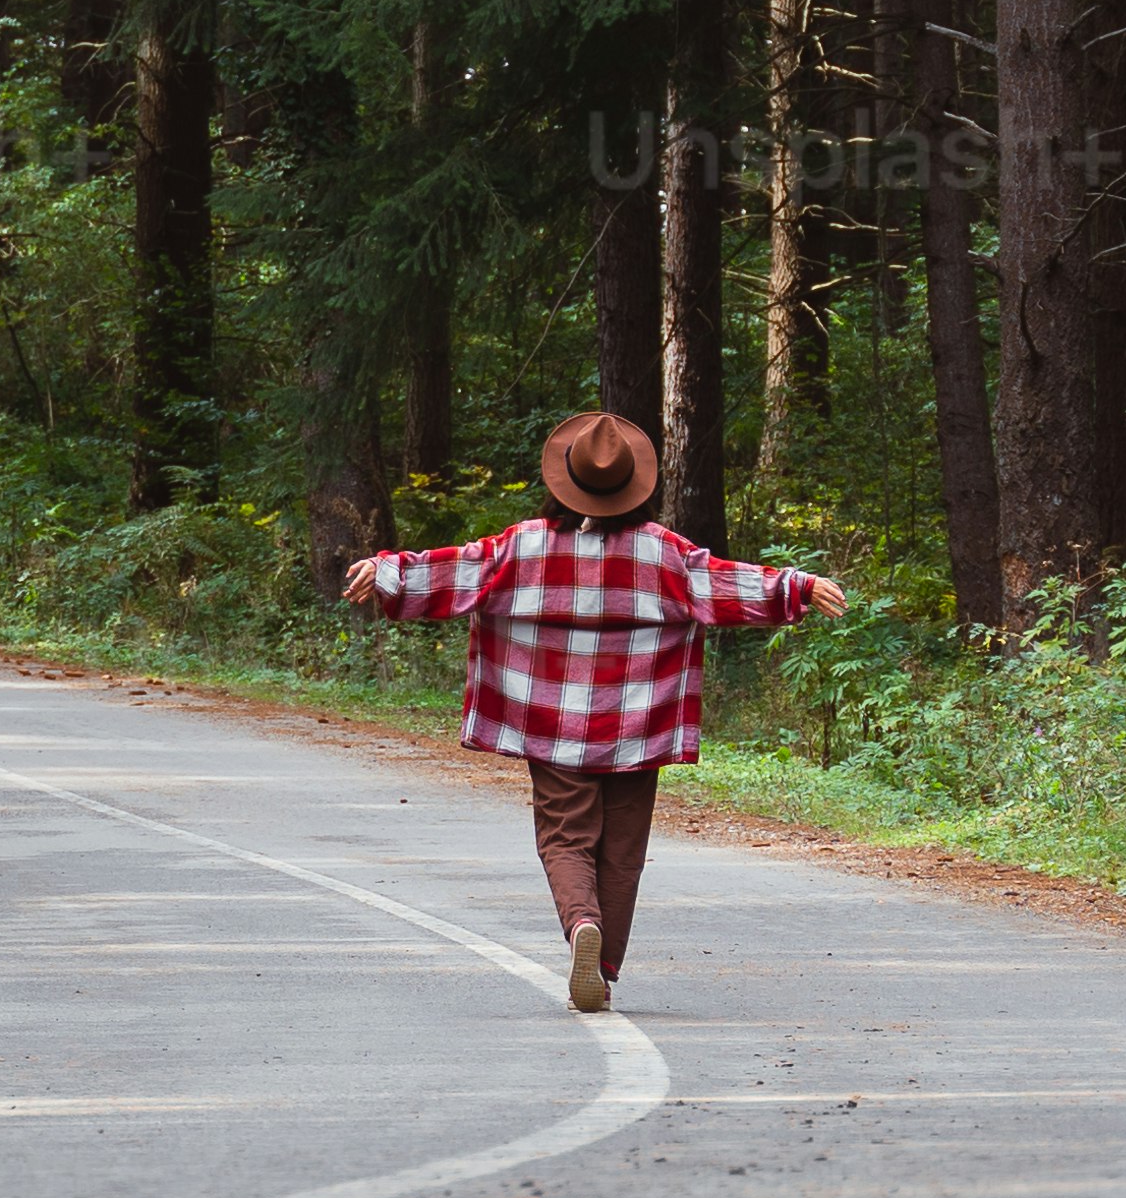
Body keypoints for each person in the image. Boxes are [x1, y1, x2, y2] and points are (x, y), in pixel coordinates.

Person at [342, 406, 847, 1013]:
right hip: (638, 726)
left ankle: (582, 925)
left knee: (565, 837)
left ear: (565, 480)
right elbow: (725, 583)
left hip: (548, 723)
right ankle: (603, 968)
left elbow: (453, 570)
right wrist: (796, 586)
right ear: (634, 485)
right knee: (623, 850)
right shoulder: (664, 554)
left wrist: (386, 571)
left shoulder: (523, 546)